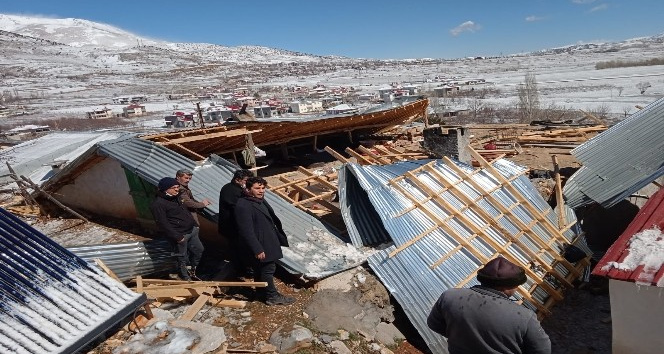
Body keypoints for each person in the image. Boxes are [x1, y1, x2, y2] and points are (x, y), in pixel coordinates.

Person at [427, 256, 551, 354]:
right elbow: (542, 350)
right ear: (508, 287)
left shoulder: (449, 296)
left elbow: (433, 324)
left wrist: (461, 337)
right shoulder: (525, 317)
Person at [234, 176, 295, 306]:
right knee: (268, 269)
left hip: (267, 239)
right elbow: (246, 230)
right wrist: (257, 248)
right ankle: (272, 296)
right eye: (257, 188)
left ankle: (261, 293)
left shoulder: (257, 200)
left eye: (263, 188)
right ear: (248, 189)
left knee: (260, 269)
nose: (261, 191)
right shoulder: (243, 205)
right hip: (260, 243)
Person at [150, 177, 204, 281]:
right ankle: (185, 277)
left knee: (199, 250)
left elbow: (186, 212)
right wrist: (177, 236)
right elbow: (162, 223)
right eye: (173, 188)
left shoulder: (177, 197)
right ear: (165, 189)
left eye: (177, 187)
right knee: (181, 257)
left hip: (191, 230)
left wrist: (194, 225)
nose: (176, 189)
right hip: (179, 234)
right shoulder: (158, 204)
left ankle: (193, 271)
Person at [218, 169, 254, 276]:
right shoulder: (230, 190)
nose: (248, 183)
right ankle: (241, 270)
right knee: (238, 250)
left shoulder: (237, 189)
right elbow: (239, 208)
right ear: (238, 180)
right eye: (246, 180)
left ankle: (243, 268)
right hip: (232, 228)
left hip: (236, 227)